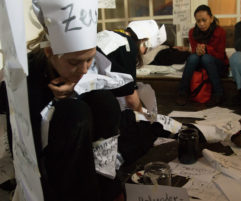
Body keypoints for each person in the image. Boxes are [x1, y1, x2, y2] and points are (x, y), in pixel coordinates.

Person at [0, 0, 133, 200]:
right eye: (74, 63)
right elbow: (24, 144)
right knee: (75, 112)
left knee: (105, 100)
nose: (84, 69)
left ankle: (108, 185)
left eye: (89, 59)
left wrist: (79, 85)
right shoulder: (28, 75)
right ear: (50, 53)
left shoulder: (87, 56)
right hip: (53, 163)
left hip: (92, 152)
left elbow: (127, 85)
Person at [96, 20, 166, 112]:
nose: (144, 53)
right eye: (147, 49)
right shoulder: (128, 45)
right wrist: (142, 115)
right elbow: (131, 99)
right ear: (144, 41)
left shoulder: (109, 34)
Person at [176, 5, 228, 106]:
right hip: (200, 63)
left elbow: (220, 56)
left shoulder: (220, 31)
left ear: (211, 19)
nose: (201, 24)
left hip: (219, 65)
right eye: (198, 21)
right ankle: (182, 93)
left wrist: (207, 49)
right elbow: (195, 52)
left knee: (206, 57)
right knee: (193, 57)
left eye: (204, 20)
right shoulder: (192, 32)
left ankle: (218, 94)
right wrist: (197, 51)